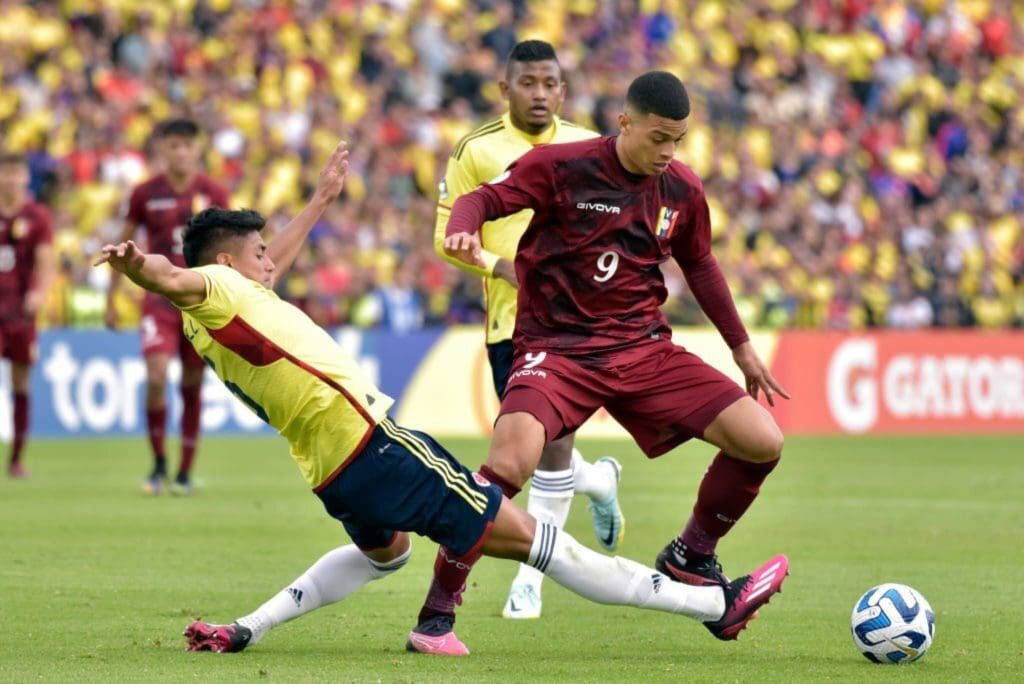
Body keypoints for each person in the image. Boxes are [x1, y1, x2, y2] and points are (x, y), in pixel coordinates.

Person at [94, 140, 788, 657]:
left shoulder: (225, 306)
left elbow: (251, 270)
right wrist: (140, 270)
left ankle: (250, 627)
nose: (270, 260)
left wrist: (321, 203)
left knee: (380, 555)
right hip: (377, 444)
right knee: (543, 545)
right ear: (225, 264)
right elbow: (174, 276)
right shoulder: (207, 287)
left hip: (330, 471)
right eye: (258, 253)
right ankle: (710, 604)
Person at [428, 70, 792, 653]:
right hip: (558, 349)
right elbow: (483, 199)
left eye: (678, 139)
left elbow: (699, 263)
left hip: (641, 348)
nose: (668, 152)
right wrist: (467, 231)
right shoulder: (560, 167)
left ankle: (691, 555)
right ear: (625, 122)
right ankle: (437, 612)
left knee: (761, 439)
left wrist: (741, 345)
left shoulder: (682, 189)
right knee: (507, 466)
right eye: (658, 138)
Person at [433, 39, 624, 622]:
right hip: (508, 325)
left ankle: (529, 581)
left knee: (550, 447)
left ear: (562, 91)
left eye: (549, 84)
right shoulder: (476, 150)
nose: (539, 94)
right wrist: (499, 266)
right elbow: (448, 234)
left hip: (571, 325)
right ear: (505, 89)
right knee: (538, 453)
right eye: (527, 84)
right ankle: (598, 482)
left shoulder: (588, 146)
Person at [105, 118, 230, 495]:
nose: (179, 152)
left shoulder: (214, 192)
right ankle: (159, 464)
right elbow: (123, 246)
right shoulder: (144, 193)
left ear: (196, 150)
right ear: (163, 151)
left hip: (200, 302)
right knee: (157, 376)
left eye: (186, 146)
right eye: (172, 146)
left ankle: (185, 473)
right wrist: (112, 297)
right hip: (158, 300)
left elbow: (229, 250)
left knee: (192, 383)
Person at [0, 154, 55, 479]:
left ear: (25, 177)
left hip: (20, 312)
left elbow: (45, 258)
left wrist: (40, 294)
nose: (10, 179)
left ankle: (17, 457)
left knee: (21, 380)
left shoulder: (37, 216)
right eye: (5, 173)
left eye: (15, 173)